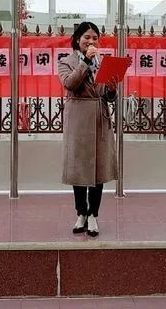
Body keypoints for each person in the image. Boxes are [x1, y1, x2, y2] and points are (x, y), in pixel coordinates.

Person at [58, 21, 119, 237]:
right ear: (77, 39)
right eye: (87, 37)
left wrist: (112, 88)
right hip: (78, 119)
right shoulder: (66, 62)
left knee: (98, 169)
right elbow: (70, 84)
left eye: (95, 38)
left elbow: (107, 96)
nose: (91, 41)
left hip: (99, 117)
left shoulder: (103, 63)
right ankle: (81, 213)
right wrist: (85, 61)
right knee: (79, 169)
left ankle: (93, 214)